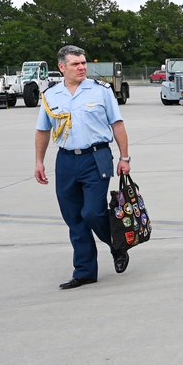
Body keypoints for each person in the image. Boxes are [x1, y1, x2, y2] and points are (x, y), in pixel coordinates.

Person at [35, 45, 133, 290]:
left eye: (83, 63)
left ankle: (116, 246)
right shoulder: (51, 95)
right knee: (74, 219)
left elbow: (117, 124)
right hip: (66, 160)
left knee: (92, 212)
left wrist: (124, 157)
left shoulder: (101, 91)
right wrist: (39, 161)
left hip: (96, 157)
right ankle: (85, 271)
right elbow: (43, 130)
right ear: (61, 67)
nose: (81, 67)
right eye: (75, 64)